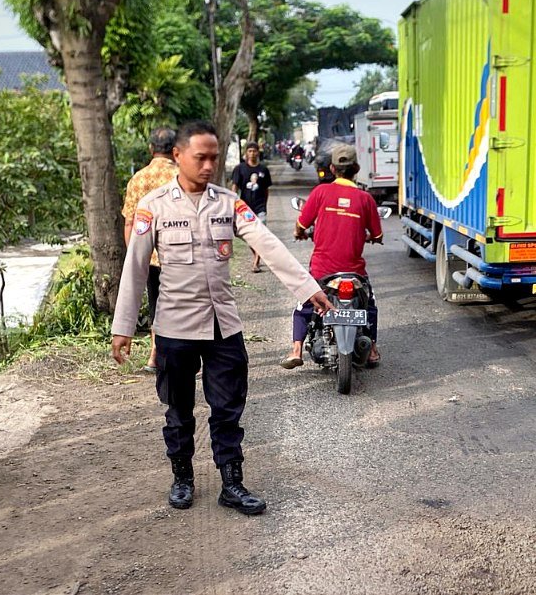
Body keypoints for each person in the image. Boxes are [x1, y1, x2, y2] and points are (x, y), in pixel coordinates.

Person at [111, 120, 334, 516]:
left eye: (214, 157)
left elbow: (267, 243)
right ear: (178, 156)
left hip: (222, 327)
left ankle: (232, 484)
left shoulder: (228, 202)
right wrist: (123, 327)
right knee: (178, 410)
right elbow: (136, 267)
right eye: (201, 157)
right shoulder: (153, 206)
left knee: (228, 410)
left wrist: (307, 288)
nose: (209, 165)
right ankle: (182, 478)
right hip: (175, 327)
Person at [281, 143, 383, 369]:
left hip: (322, 270)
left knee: (305, 304)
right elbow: (377, 234)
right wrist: (369, 237)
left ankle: (296, 350)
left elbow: (301, 224)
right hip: (354, 272)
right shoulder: (365, 198)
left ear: (332, 169)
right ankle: (373, 349)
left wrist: (299, 233)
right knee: (369, 305)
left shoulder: (320, 192)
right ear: (356, 169)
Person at [123, 126, 178, 373]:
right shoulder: (183, 176)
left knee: (156, 304)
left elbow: (130, 223)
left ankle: (155, 354)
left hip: (150, 257)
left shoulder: (139, 179)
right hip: (182, 254)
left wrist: (136, 258)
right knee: (186, 305)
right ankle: (188, 357)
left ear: (150, 148)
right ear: (176, 150)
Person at [230, 141, 273, 272]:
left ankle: (256, 262)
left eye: (254, 151)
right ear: (246, 153)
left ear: (258, 153)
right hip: (245, 208)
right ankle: (256, 255)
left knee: (260, 234)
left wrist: (264, 205)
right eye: (250, 151)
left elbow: (266, 189)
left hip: (260, 207)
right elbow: (234, 187)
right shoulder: (240, 169)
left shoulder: (263, 170)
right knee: (249, 235)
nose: (252, 153)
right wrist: (232, 202)